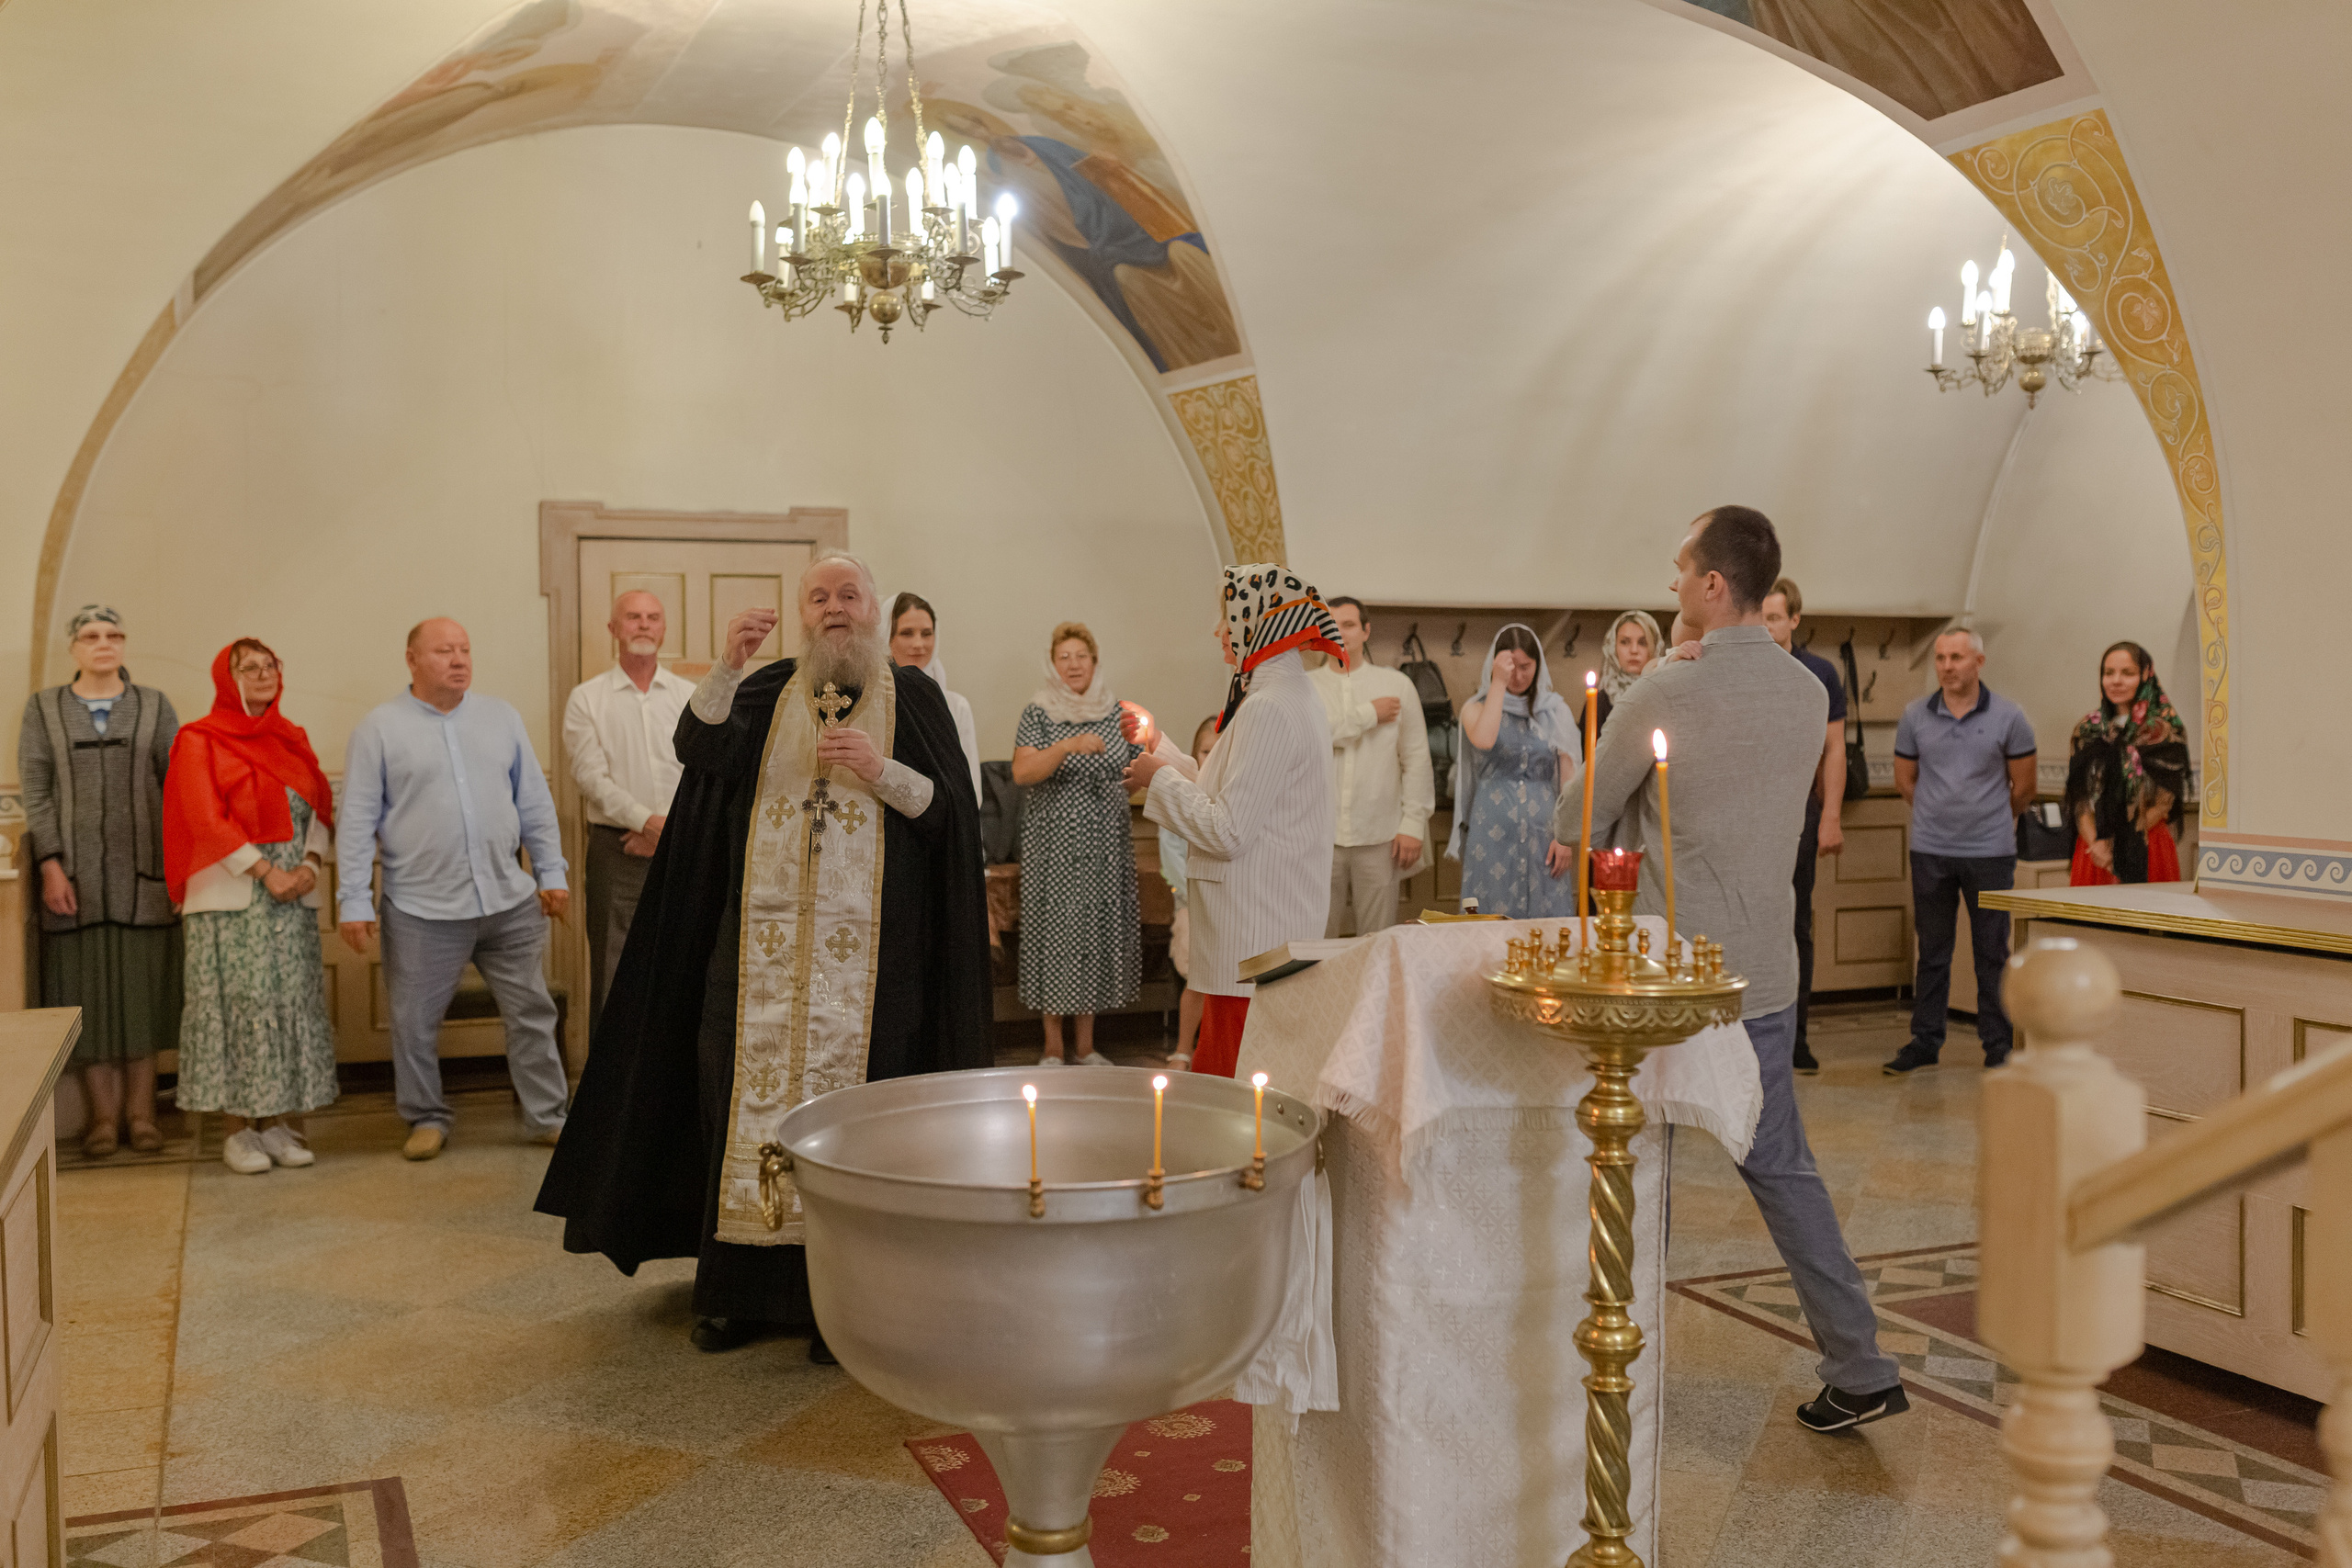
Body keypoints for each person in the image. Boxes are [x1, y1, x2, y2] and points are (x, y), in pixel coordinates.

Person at [537, 552, 989, 1359]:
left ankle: (837, 1304)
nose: (834, 609)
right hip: (754, 963)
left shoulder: (915, 696)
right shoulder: (761, 688)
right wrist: (726, 664)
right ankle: (733, 1292)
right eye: (819, 597)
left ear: (874, 610)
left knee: (855, 1132)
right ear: (803, 612)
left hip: (874, 971)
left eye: (849, 595)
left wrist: (878, 770)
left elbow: (948, 814)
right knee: (735, 1107)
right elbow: (695, 748)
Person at [1558, 505, 1905, 1432]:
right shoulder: (1803, 692)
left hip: (1669, 974)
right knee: (1783, 1168)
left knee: (1623, 1158)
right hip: (1765, 968)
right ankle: (1860, 1362)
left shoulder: (1670, 690)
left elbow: (1577, 820)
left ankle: (1605, 1352)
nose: (1672, 585)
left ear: (1714, 586)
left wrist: (1640, 701)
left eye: (1681, 571)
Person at [337, 618, 572, 1162]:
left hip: (508, 902)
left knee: (532, 1012)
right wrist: (352, 901)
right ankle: (426, 1117)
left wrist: (551, 873)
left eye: (465, 649)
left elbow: (534, 804)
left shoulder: (501, 717)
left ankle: (548, 1116)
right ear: (413, 660)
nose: (459, 659)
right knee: (414, 1023)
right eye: (444, 651)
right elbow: (355, 822)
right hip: (422, 908)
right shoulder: (379, 728)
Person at [1126, 564, 1339, 1078]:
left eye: (1228, 617)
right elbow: (1234, 799)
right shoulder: (1287, 697)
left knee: (1236, 1107)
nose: (1218, 630)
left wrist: (1158, 780)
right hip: (1258, 939)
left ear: (1257, 622)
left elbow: (1228, 830)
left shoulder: (1269, 707)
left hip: (1255, 945)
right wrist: (1163, 752)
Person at [164, 640, 338, 1174]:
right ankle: (238, 1133)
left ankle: (283, 1127)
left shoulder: (293, 738)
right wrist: (268, 872)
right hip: (230, 899)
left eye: (270, 666)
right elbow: (203, 816)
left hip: (292, 898)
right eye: (250, 668)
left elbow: (320, 808)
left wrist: (310, 864)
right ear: (227, 678)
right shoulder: (199, 739)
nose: (264, 675)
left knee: (290, 1006)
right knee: (239, 1010)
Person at [19, 604, 181, 1158]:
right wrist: (51, 864)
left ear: (125, 643)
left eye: (113, 634)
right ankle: (102, 1120)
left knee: (141, 1000)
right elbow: (36, 792)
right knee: (86, 1001)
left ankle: (143, 1116)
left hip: (144, 881)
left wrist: (177, 872)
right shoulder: (43, 709)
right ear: (74, 648)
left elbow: (177, 788)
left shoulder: (155, 705)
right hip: (75, 884)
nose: (103, 643)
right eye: (91, 635)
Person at [1883, 627, 2038, 1076]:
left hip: (1990, 852)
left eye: (1956, 657)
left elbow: (2023, 788)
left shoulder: (2010, 716)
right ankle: (1925, 1041)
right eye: (1940, 658)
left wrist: (1984, 819)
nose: (1947, 666)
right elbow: (1904, 781)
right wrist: (1941, 817)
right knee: (1932, 950)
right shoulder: (1915, 716)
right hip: (1930, 850)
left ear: (1978, 663)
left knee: (1992, 950)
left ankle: (1998, 1045)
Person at [562, 591, 694, 1041]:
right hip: (618, 851)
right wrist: (646, 822)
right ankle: (609, 1094)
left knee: (683, 967)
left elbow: (702, 774)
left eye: (653, 617)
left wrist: (667, 832)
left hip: (684, 848)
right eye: (633, 617)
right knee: (614, 973)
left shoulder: (689, 696)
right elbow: (590, 778)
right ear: (613, 629)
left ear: (663, 628)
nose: (643, 625)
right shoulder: (587, 699)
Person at [1012, 622, 1143, 1066]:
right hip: (1053, 847)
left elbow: (1132, 776)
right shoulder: (1039, 711)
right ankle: (1052, 1046)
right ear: (1053, 664)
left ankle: (1086, 1047)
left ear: (1095, 661)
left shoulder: (1116, 711)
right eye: (1064, 657)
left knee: (1092, 938)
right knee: (1056, 938)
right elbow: (1022, 772)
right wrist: (1067, 745)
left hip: (1104, 845)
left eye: (1081, 657)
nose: (1073, 665)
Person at [1762, 579, 1847, 1076]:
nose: (1769, 626)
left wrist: (1831, 816)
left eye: (1776, 618)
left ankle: (1797, 1036)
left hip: (1800, 812)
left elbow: (1832, 749)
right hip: (1751, 814)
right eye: (1762, 617)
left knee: (1797, 922)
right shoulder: (1745, 667)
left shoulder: (1819, 673)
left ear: (1794, 619)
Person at [1308, 597, 1431, 938]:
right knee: (1318, 938)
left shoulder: (1396, 685)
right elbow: (1308, 741)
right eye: (1330, 625)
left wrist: (1413, 824)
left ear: (1365, 631)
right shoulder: (1307, 687)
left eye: (1348, 625)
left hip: (1380, 833)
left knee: (1376, 939)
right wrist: (1368, 715)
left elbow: (1417, 757)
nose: (1339, 632)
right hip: (1320, 836)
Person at [1447, 625, 1579, 919]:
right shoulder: (1475, 708)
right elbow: (1484, 739)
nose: (1518, 677)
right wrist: (1497, 684)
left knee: (1547, 915)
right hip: (1491, 829)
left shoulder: (1555, 710)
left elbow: (1570, 778)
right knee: (1490, 911)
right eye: (1511, 668)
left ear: (1538, 665)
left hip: (1545, 830)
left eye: (1526, 667)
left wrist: (1566, 836)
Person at [2065, 641, 2189, 886]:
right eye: (2108, 673)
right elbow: (2078, 798)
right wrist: (2097, 844)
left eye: (2127, 673)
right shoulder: (2087, 729)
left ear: (2145, 675)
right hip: (2094, 848)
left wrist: (2118, 843)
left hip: (2145, 841)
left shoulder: (2165, 732)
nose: (2116, 681)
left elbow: (2165, 802)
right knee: (2091, 924)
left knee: (2144, 922)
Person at [1159, 716, 1219, 1070]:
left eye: (1218, 751)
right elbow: (1172, 857)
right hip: (1192, 902)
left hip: (1228, 903)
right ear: (1194, 753)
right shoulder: (1182, 793)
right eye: (1204, 751)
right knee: (1198, 975)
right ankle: (1183, 1049)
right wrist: (1195, 894)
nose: (1210, 758)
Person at [889, 592, 984, 806]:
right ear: (887, 637)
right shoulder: (874, 704)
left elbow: (971, 791)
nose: (919, 644)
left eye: (926, 634)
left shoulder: (956, 706)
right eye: (906, 633)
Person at [1587, 610, 1662, 733]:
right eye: (1625, 642)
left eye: (1643, 643)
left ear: (1654, 647)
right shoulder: (1598, 702)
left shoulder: (1662, 695)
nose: (1634, 650)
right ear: (1613, 647)